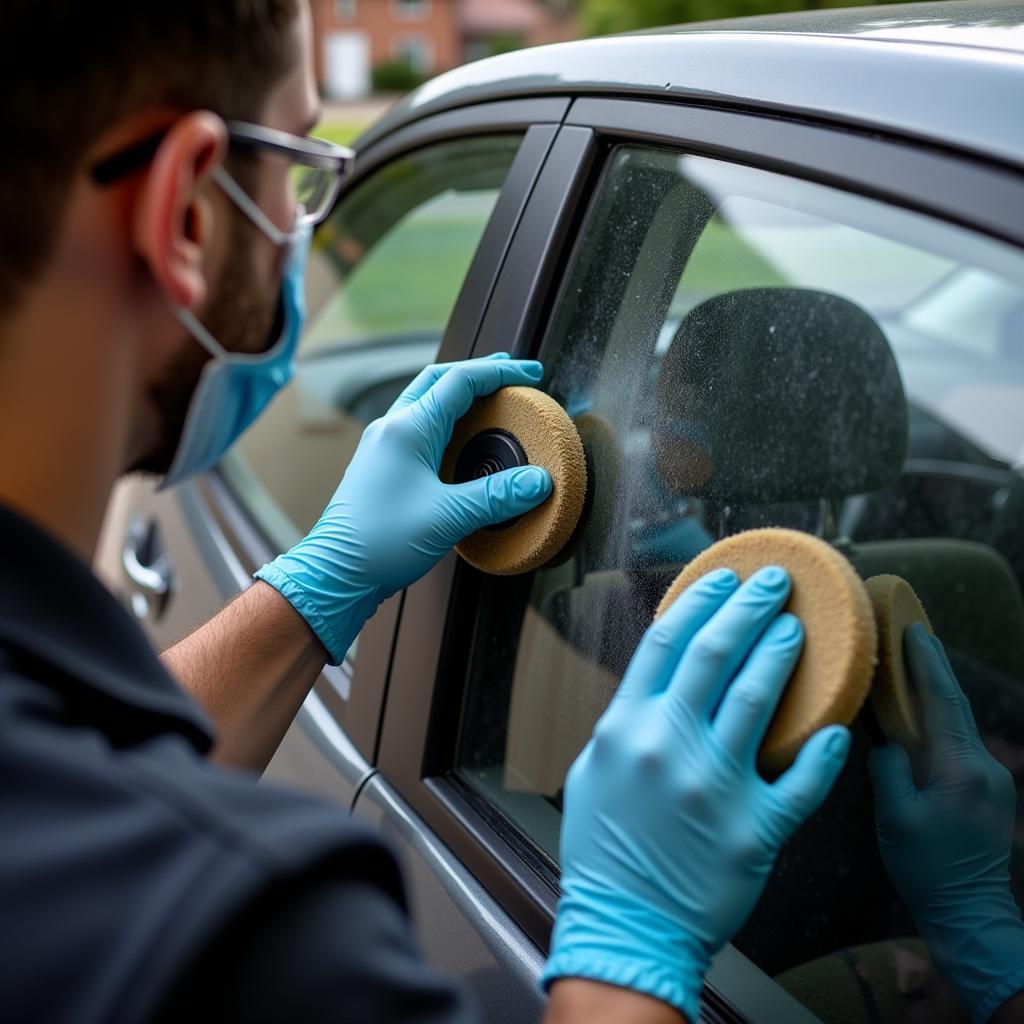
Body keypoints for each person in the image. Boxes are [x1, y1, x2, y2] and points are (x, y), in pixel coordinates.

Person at [0, 3, 1010, 1022]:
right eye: (296, 168)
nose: (300, 224)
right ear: (188, 212)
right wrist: (629, 939)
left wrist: (319, 584)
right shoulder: (260, 936)